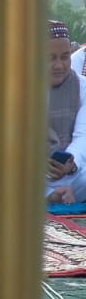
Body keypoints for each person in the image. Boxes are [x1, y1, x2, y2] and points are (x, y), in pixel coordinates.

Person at [46, 21, 86, 203]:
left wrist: (70, 163)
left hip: (74, 174)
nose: (59, 65)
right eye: (50, 58)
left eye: (65, 57)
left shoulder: (82, 86)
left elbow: (82, 136)